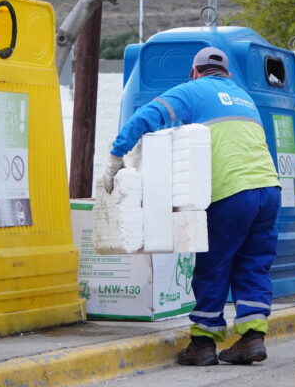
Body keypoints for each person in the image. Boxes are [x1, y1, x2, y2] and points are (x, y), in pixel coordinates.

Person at [102, 46, 281, 366]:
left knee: (214, 263)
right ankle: (253, 338)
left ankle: (202, 342)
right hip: (268, 190)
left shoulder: (192, 90)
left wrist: (117, 156)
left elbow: (146, 117)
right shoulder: (244, 98)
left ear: (195, 71)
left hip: (231, 193)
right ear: (226, 72)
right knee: (253, 263)